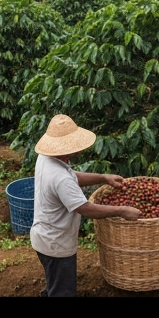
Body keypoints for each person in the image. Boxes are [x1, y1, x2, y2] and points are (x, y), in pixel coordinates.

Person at [32, 114, 141, 297]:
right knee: (63, 291)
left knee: (54, 284)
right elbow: (85, 208)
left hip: (44, 237)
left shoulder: (46, 158)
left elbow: (72, 177)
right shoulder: (60, 178)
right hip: (56, 244)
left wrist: (103, 177)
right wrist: (122, 210)